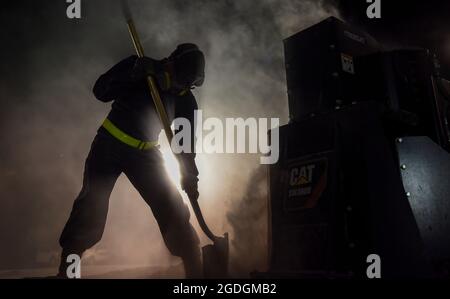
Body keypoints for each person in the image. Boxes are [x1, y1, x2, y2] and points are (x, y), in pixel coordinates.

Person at [57, 43, 205, 278]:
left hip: (146, 154)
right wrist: (132, 74)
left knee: (173, 208)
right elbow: (100, 91)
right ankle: (67, 272)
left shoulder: (186, 101)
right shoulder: (140, 68)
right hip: (109, 144)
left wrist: (190, 176)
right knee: (90, 209)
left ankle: (196, 274)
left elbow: (185, 145)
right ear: (169, 63)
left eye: (187, 85)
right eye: (179, 80)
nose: (179, 88)